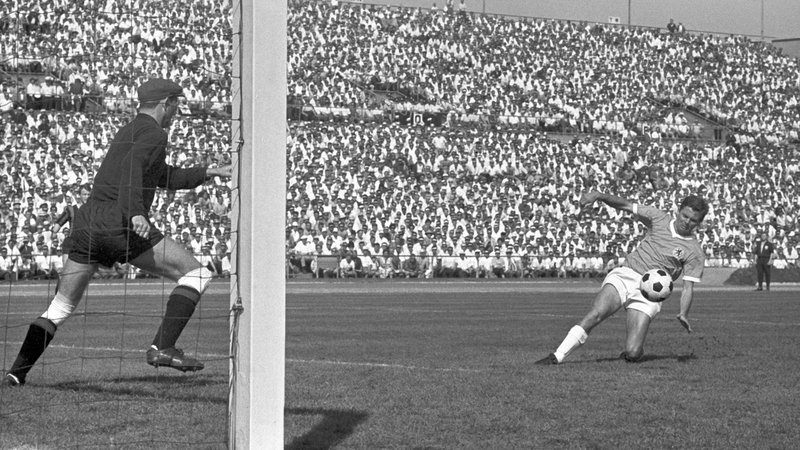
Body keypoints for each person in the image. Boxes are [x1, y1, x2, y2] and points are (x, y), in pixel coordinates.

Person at [4, 78, 232, 386]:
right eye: (177, 103)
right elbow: (133, 169)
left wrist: (208, 172)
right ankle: (162, 346)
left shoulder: (129, 130)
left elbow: (159, 174)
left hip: (88, 223)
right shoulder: (155, 133)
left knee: (60, 306)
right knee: (197, 275)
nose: (178, 110)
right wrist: (136, 211)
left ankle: (16, 374)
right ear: (165, 103)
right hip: (118, 224)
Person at [535, 191, 709, 365]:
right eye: (685, 216)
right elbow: (625, 205)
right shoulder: (658, 218)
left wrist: (683, 313)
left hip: (649, 294)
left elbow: (688, 287)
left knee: (632, 352)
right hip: (626, 274)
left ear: (699, 223)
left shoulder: (694, 252)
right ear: (678, 211)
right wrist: (599, 196)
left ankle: (636, 352)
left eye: (693, 220)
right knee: (596, 314)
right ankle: (557, 355)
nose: (687, 222)